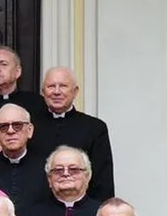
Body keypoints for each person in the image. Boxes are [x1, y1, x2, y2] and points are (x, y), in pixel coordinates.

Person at [31, 67, 115, 200]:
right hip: (38, 208)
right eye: (51, 86)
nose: (56, 92)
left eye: (63, 86)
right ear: (43, 92)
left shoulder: (95, 127)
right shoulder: (29, 127)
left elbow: (103, 181)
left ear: (75, 91)